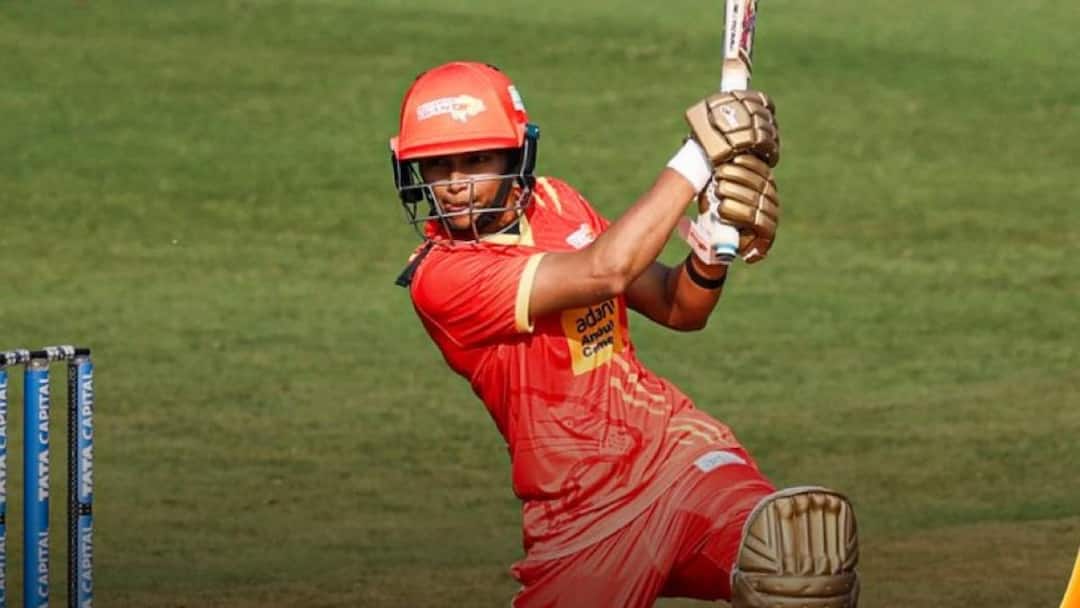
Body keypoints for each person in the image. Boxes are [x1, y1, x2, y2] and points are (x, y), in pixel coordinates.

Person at [389, 61, 859, 608]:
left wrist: (710, 253)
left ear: (516, 155)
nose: (456, 185)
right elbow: (605, 270)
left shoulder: (557, 202)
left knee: (795, 570)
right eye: (438, 166)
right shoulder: (442, 277)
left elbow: (677, 306)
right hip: (583, 518)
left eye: (476, 160)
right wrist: (699, 155)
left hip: (679, 458)